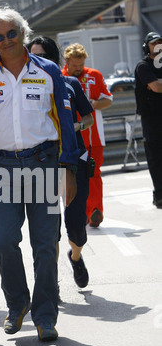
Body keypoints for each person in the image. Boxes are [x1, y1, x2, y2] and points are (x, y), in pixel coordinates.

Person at [0, 7, 80, 342]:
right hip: (1, 168)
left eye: (11, 33)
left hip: (44, 162)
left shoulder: (48, 71)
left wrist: (69, 169)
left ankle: (45, 316)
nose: (6, 41)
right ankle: (17, 305)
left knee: (46, 244)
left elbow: (66, 122)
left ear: (22, 33)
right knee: (2, 241)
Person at [27, 36, 94, 288]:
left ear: (54, 58)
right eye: (33, 56)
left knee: (76, 224)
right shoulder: (25, 87)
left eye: (43, 56)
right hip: (42, 160)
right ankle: (50, 281)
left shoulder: (70, 83)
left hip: (74, 158)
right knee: (48, 226)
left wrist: (71, 127)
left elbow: (88, 118)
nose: (37, 61)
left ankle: (75, 256)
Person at [62, 43, 113, 227]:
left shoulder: (94, 75)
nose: (78, 69)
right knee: (73, 177)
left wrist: (92, 104)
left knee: (94, 174)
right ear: (66, 61)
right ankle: (80, 212)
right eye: (75, 66)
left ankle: (95, 211)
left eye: (81, 65)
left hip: (94, 138)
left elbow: (108, 100)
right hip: (70, 140)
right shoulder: (59, 77)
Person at [134, 31, 162, 209]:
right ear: (147, 46)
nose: (158, 46)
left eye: (160, 42)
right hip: (152, 119)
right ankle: (159, 195)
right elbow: (157, 87)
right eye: (153, 43)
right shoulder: (143, 66)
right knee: (156, 158)